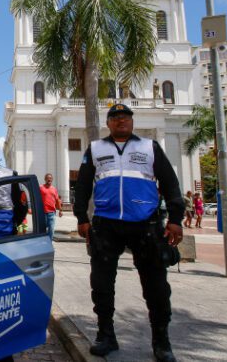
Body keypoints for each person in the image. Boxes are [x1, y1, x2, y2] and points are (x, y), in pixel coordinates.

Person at [74, 104, 184, 362]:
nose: (120, 121)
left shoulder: (150, 147)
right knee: (101, 284)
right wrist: (82, 217)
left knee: (156, 286)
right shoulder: (95, 149)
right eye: (115, 117)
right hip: (106, 225)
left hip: (145, 225)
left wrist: (176, 219)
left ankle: (161, 341)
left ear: (132, 122)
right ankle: (105, 335)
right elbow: (82, 185)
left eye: (125, 117)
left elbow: (170, 183)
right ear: (108, 123)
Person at [40, 173, 62, 238]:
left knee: (51, 230)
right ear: (45, 179)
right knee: (42, 230)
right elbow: (37, 197)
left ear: (52, 179)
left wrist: (60, 210)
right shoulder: (41, 188)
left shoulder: (54, 189)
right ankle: (43, 244)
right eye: (47, 178)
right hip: (43, 213)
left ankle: (49, 244)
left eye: (50, 178)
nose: (49, 179)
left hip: (52, 213)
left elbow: (57, 200)